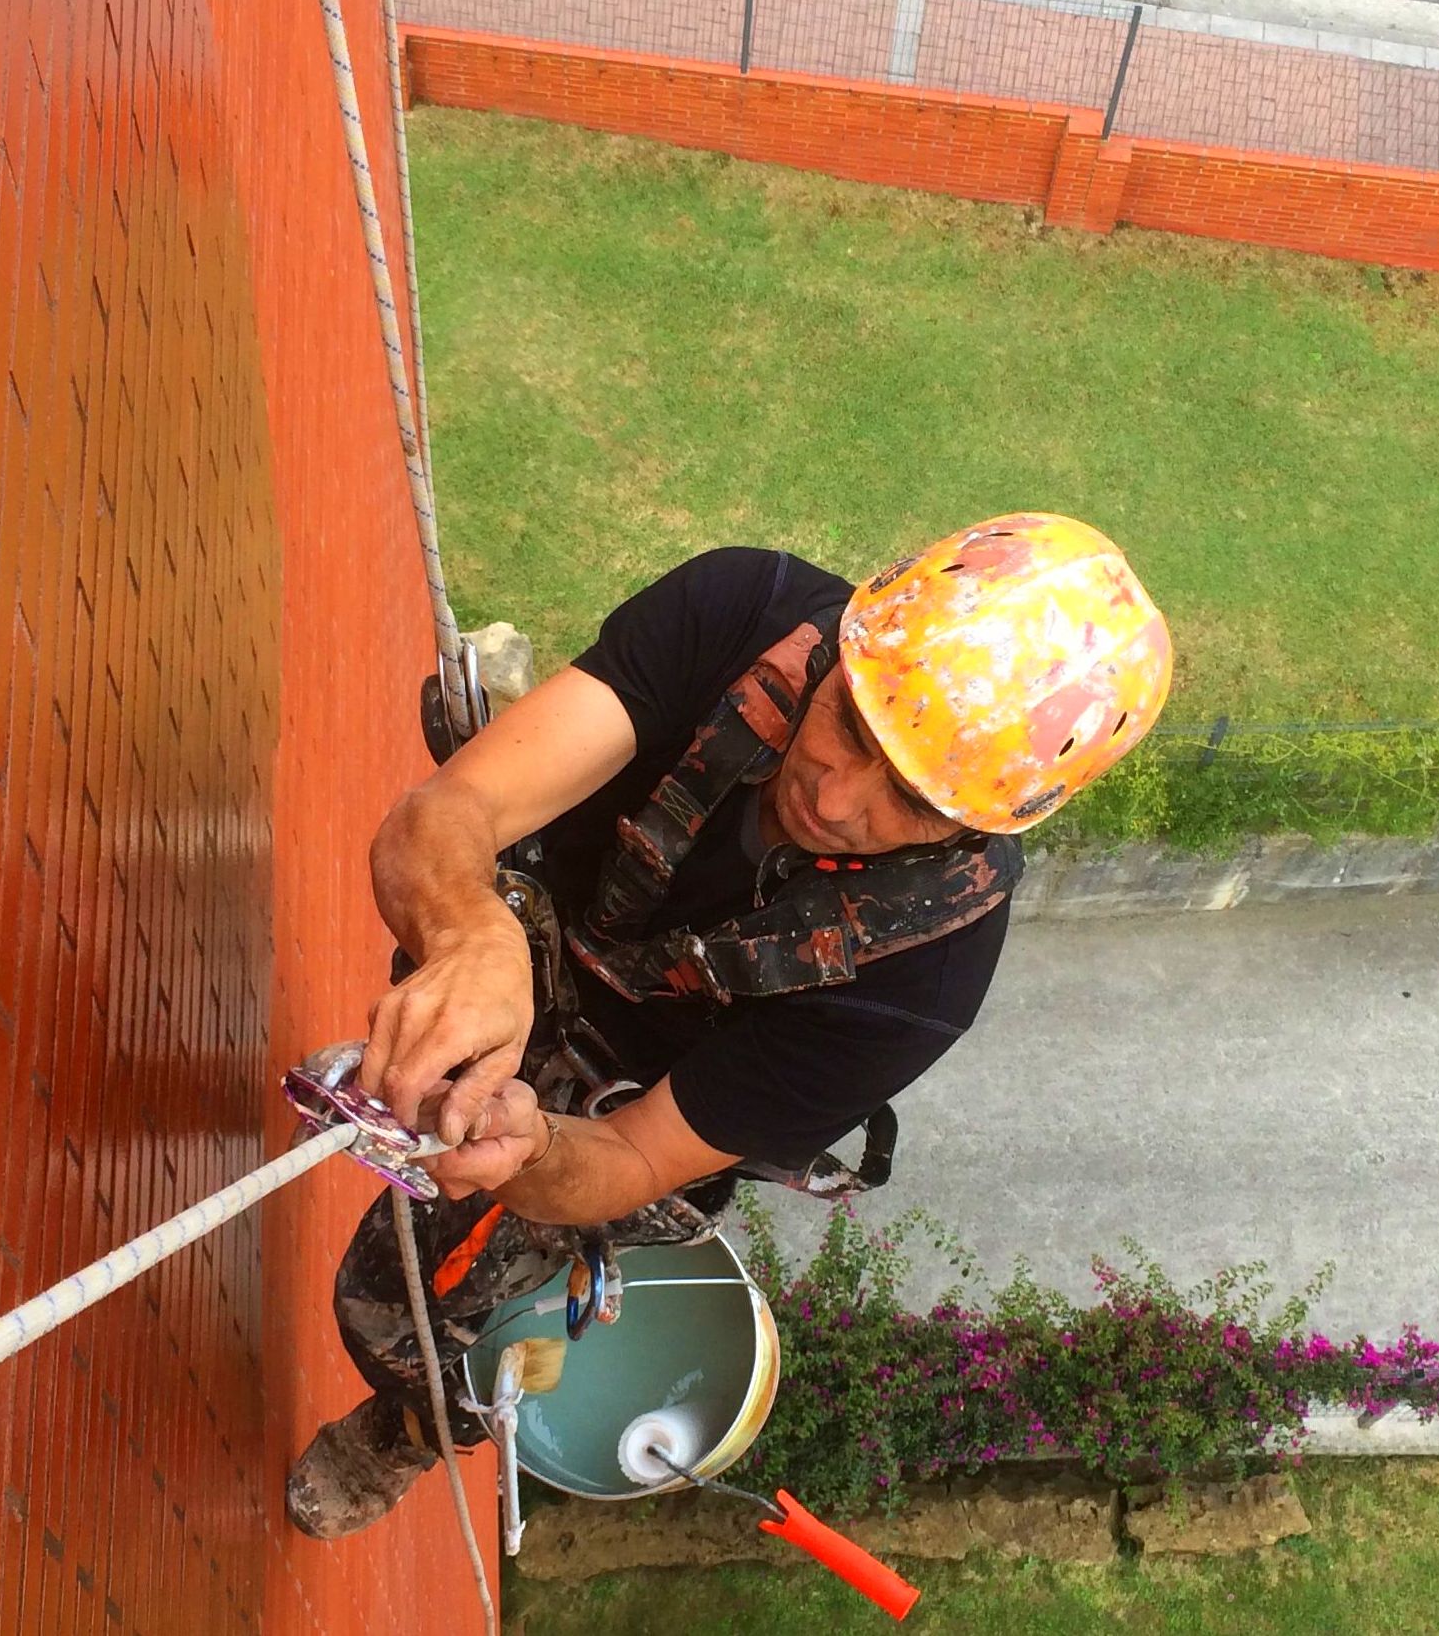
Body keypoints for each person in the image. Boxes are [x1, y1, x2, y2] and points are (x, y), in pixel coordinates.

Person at [285, 513, 1173, 1538]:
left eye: (910, 800)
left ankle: (405, 1427)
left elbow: (630, 1155)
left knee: (399, 1307)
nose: (834, 796)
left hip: (614, 1101)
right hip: (541, 933)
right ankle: (447, 1004)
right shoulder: (743, 611)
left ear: (976, 825)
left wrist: (528, 1150)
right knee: (450, 930)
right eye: (851, 724)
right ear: (843, 647)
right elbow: (447, 813)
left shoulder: (920, 978)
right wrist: (468, 932)